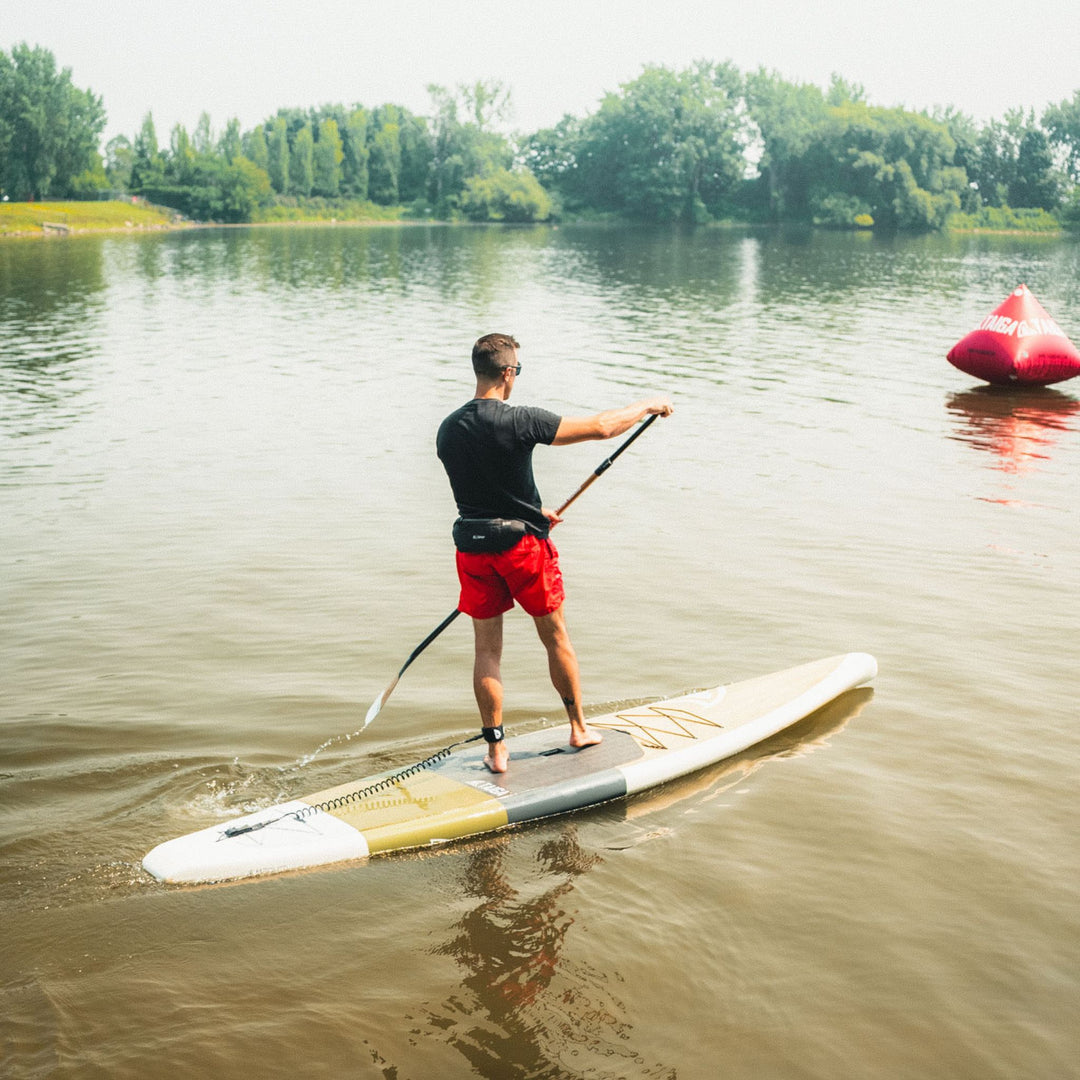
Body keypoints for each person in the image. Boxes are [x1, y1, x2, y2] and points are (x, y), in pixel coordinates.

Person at [436, 332, 673, 773]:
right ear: (508, 373)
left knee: (487, 651)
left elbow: (482, 491)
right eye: (517, 372)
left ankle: (496, 751)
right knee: (556, 636)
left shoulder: (448, 428)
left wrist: (531, 509)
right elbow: (602, 427)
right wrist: (648, 405)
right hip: (521, 549)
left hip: (472, 547)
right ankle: (579, 728)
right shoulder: (520, 420)